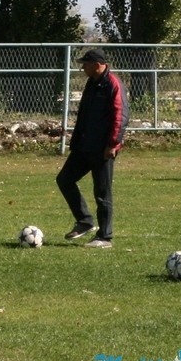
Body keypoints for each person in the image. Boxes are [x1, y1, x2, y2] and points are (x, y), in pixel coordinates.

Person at [56, 48, 129, 248]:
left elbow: (120, 116)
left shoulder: (113, 83)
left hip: (103, 148)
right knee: (64, 179)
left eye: (85, 65)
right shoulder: (92, 82)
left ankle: (105, 237)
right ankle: (85, 221)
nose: (83, 69)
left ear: (97, 65)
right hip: (84, 145)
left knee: (102, 193)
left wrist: (112, 144)